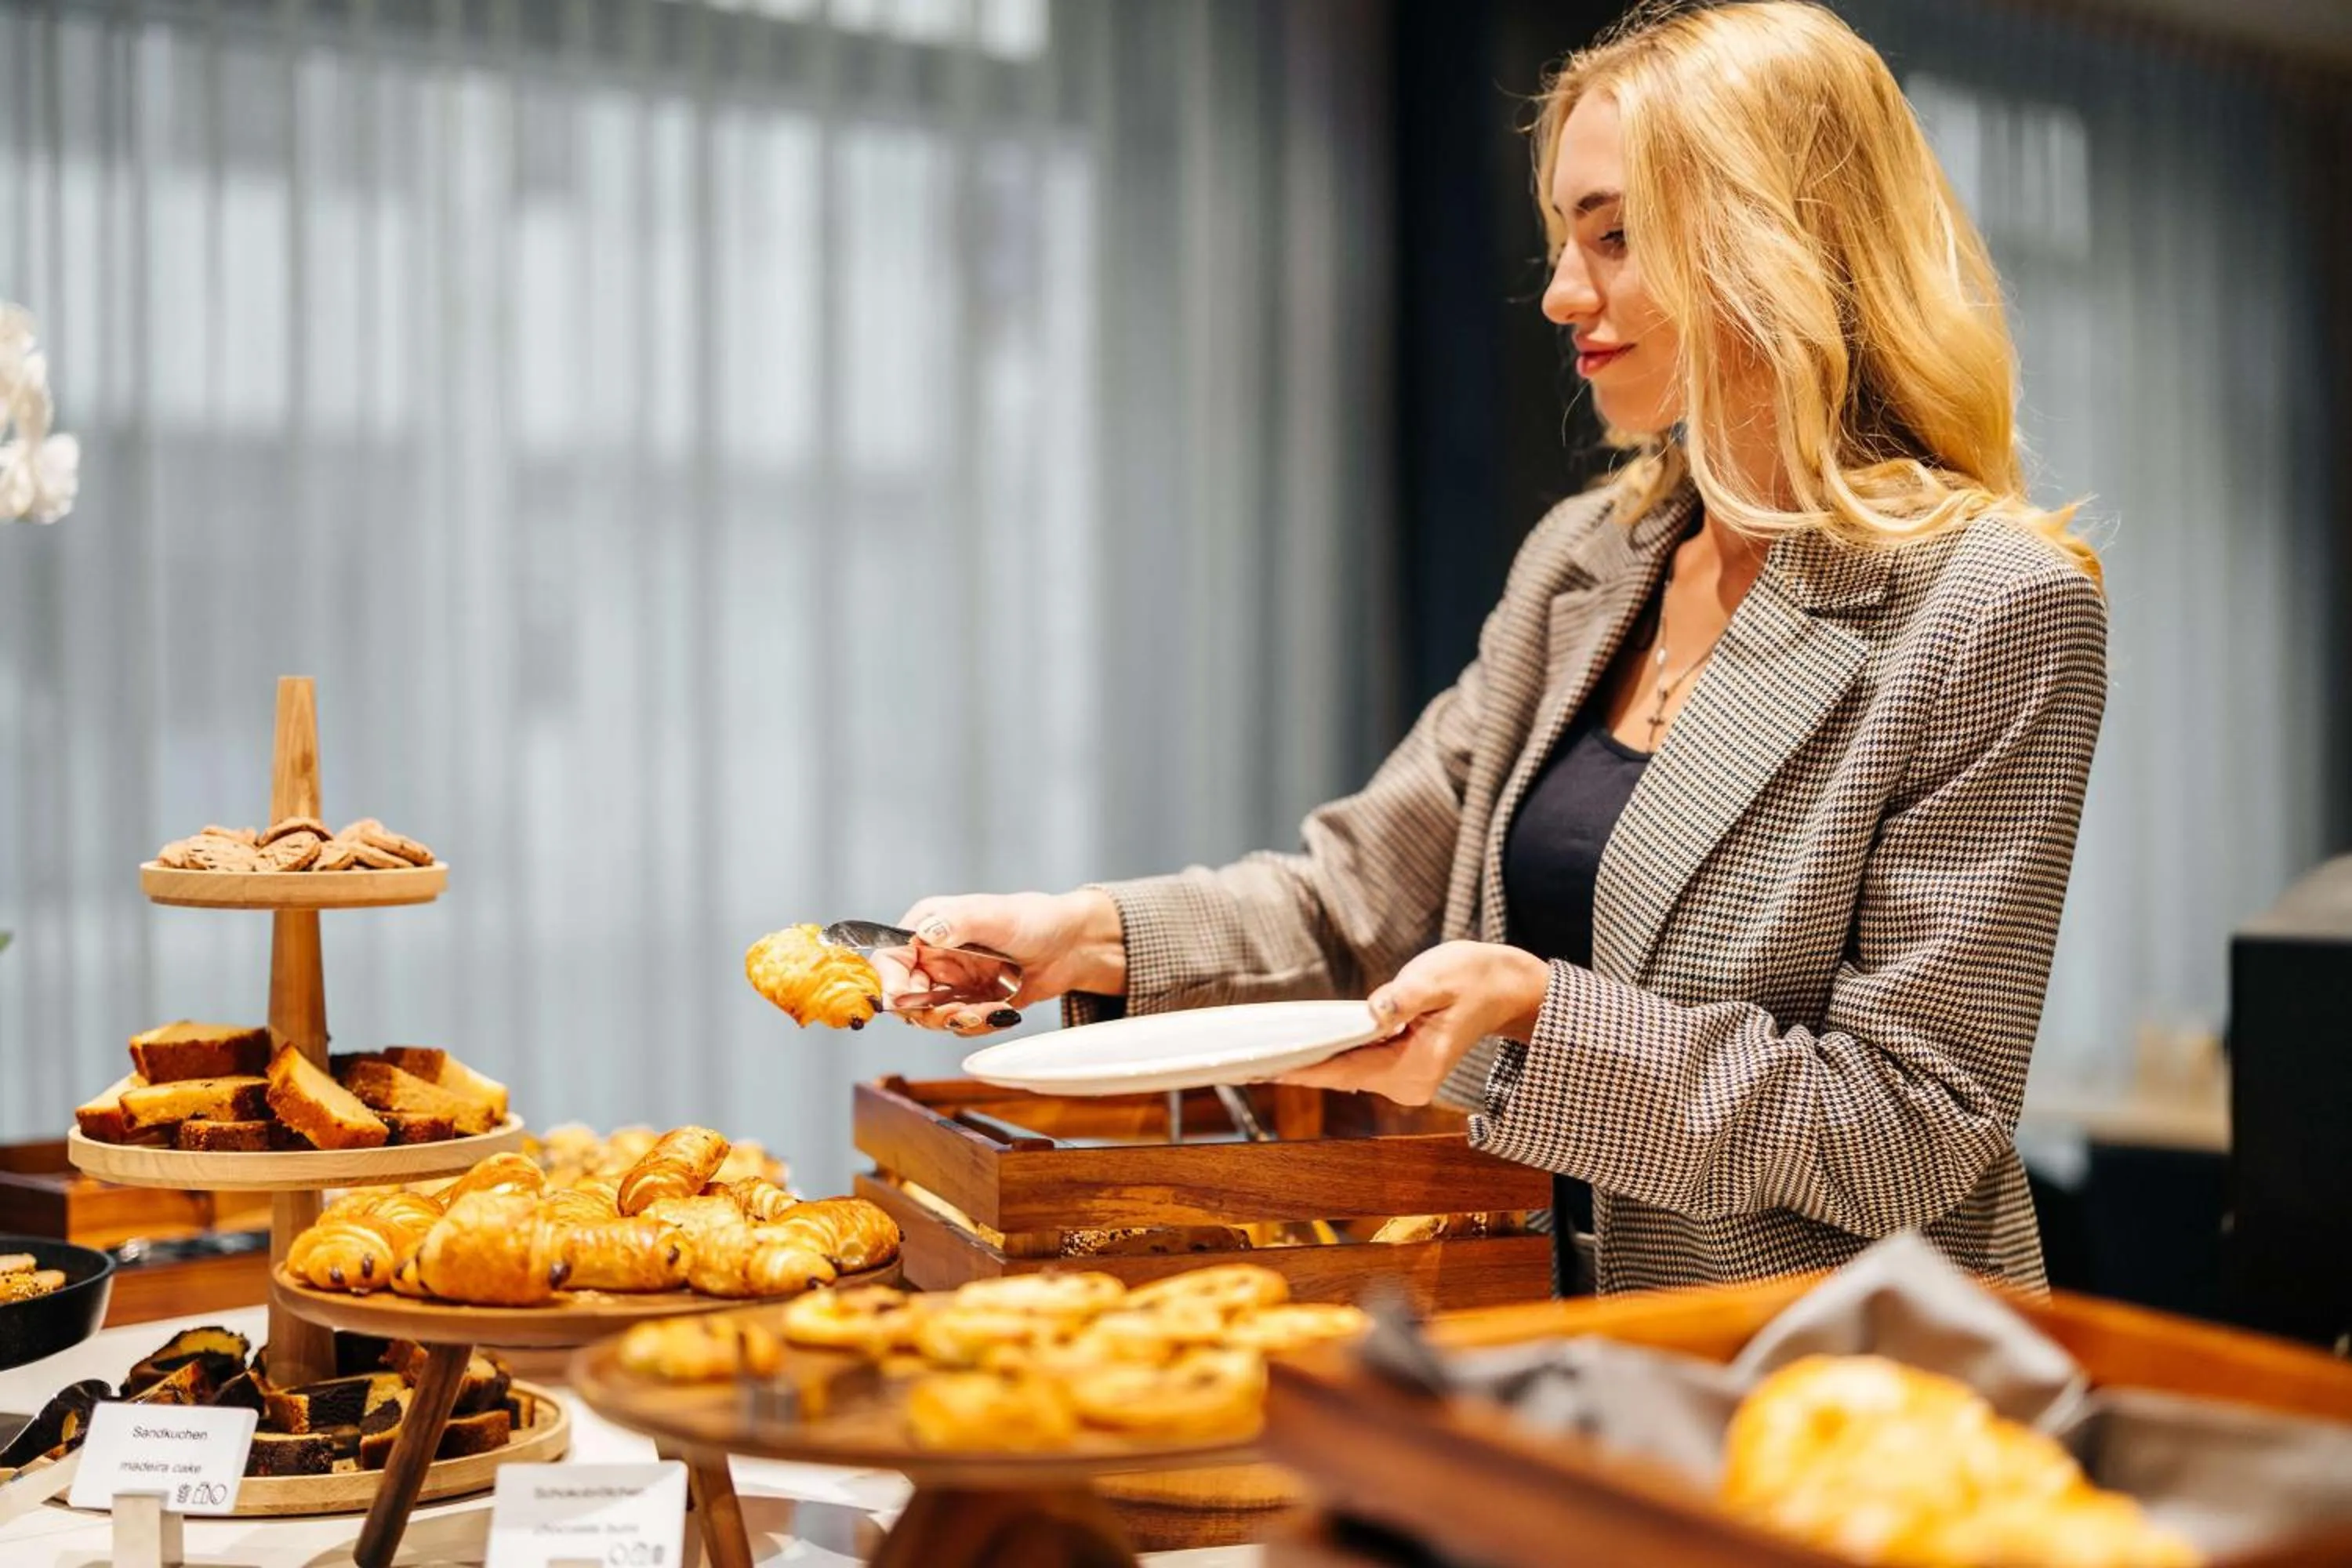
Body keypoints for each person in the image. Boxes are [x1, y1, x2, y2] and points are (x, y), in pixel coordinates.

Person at [888, 0, 2107, 1296]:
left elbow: (1915, 1125)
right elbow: (1357, 900)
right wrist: (1082, 936)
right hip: (1531, 1334)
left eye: (1620, 238)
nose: (1563, 293)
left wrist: (1543, 1019)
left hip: (1833, 1388)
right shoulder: (1588, 559)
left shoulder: (1992, 606)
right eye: (1564, 240)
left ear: (1784, 244)